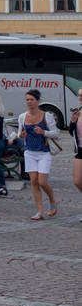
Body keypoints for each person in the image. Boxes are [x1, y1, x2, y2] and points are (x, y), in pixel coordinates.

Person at [16, 89, 59, 220]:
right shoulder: (22, 117)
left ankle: (52, 201)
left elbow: (55, 133)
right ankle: (40, 211)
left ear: (38, 101)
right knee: (34, 182)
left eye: (32, 100)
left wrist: (43, 132)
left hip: (44, 152)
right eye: (27, 100)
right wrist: (21, 135)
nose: (29, 102)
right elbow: (19, 133)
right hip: (29, 151)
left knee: (42, 182)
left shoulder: (46, 116)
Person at [69, 87, 82, 219]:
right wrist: (72, 121)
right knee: (77, 181)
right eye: (79, 95)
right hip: (80, 150)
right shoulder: (78, 112)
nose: (79, 97)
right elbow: (70, 132)